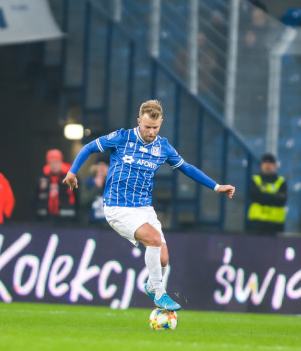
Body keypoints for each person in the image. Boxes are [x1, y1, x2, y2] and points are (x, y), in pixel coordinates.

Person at [62, 100, 236, 312]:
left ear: (161, 123)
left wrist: (216, 187)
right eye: (147, 127)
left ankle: (151, 286)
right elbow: (89, 147)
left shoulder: (163, 147)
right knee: (153, 239)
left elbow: (187, 168)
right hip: (117, 207)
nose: (151, 132)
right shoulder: (122, 137)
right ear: (139, 122)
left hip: (144, 208)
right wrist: (72, 171)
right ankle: (160, 294)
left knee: (163, 259)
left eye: (155, 127)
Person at [247, 153, 287, 235]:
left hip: (276, 224)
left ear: (275, 165)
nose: (267, 166)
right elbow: (255, 196)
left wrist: (263, 195)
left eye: (270, 163)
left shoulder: (281, 181)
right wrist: (275, 196)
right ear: (261, 165)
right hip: (257, 223)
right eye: (265, 163)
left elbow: (282, 200)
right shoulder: (255, 179)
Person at [35, 149, 76, 223]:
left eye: (56, 162)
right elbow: (34, 197)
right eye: (51, 162)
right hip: (45, 218)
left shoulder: (70, 176)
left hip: (66, 218)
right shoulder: (42, 176)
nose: (54, 165)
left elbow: (77, 196)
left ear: (61, 162)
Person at [80, 157, 109, 226]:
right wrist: (96, 187)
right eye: (99, 165)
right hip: (91, 224)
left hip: (109, 224)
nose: (102, 168)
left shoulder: (113, 184)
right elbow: (83, 201)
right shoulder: (88, 182)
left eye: (105, 165)